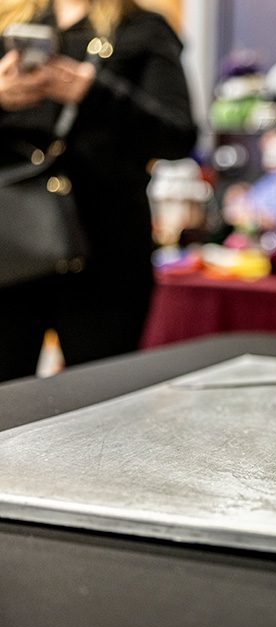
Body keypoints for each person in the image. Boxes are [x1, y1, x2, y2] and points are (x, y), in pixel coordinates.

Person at [0, 0, 197, 381]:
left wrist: (91, 93)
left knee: (102, 398)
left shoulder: (143, 28)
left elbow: (178, 136)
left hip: (108, 250)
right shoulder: (9, 21)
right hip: (11, 244)